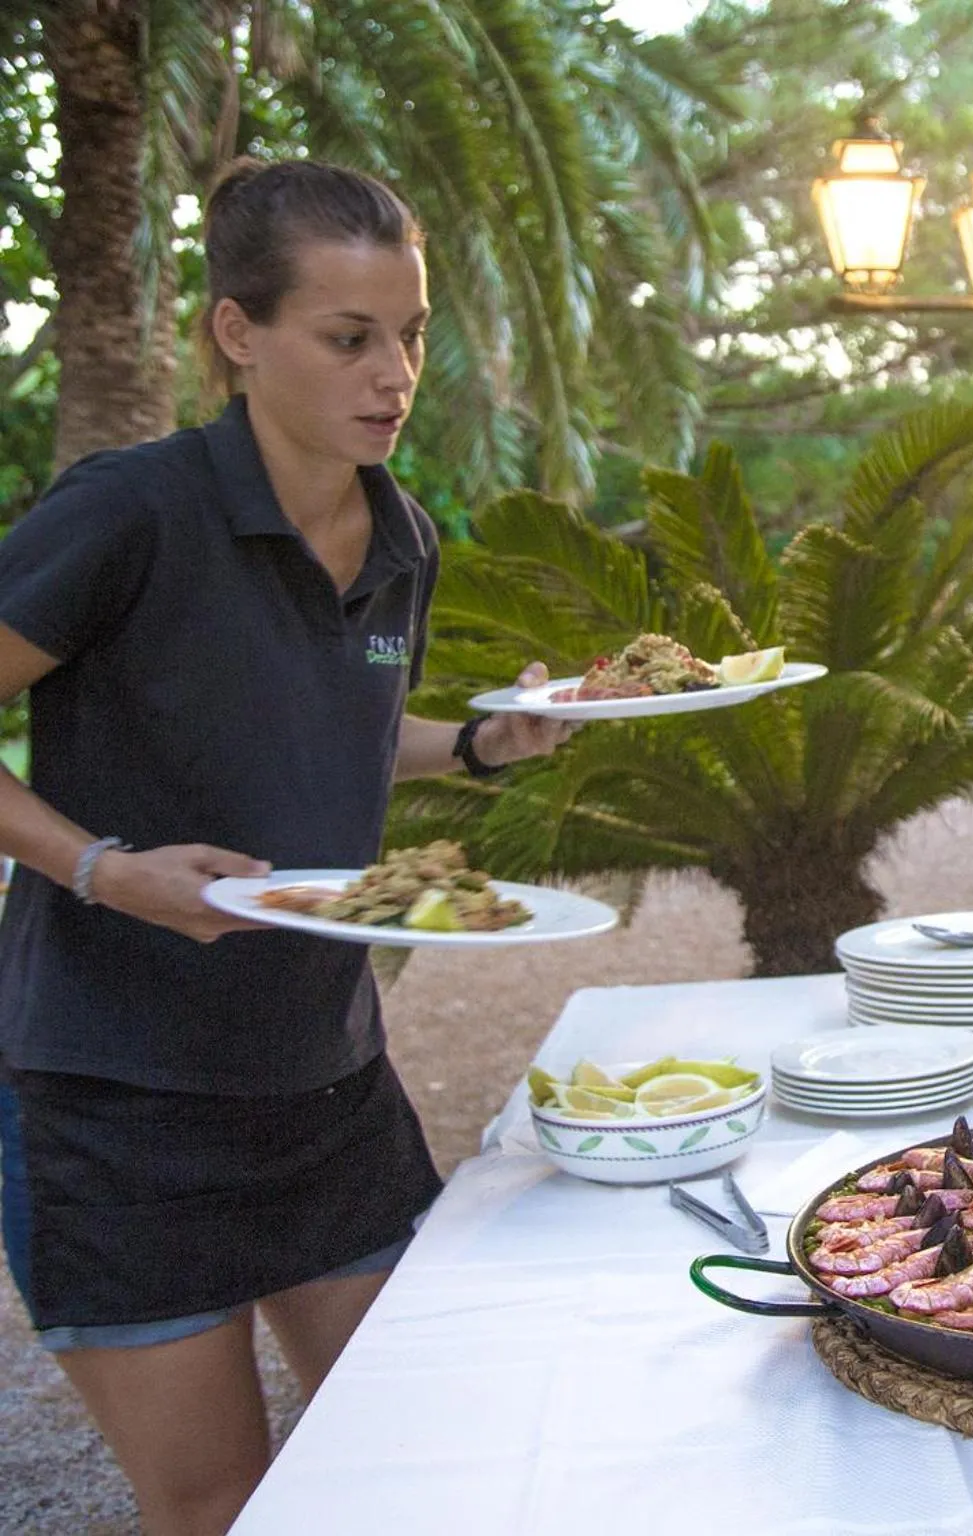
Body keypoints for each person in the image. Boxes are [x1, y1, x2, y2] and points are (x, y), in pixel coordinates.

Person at [0, 158, 570, 1535]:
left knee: (418, 1466)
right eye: (350, 337)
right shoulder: (128, 512)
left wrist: (484, 742)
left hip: (329, 1090)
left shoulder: (403, 537)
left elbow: (343, 724)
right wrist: (104, 870)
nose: (396, 374)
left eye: (411, 335)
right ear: (237, 333)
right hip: (114, 1102)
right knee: (219, 1506)